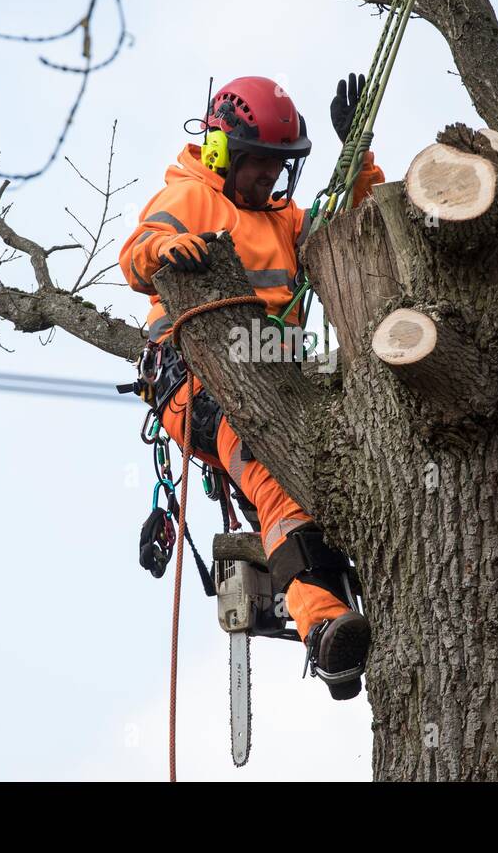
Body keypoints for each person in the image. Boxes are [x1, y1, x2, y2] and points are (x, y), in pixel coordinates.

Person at [119, 74, 384, 699]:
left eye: (278, 167)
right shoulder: (189, 197)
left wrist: (360, 157)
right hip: (198, 387)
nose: (269, 179)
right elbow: (136, 253)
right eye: (259, 166)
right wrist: (167, 253)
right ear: (221, 153)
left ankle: (337, 585)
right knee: (270, 468)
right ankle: (324, 628)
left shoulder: (288, 220)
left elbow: (356, 229)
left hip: (279, 380)